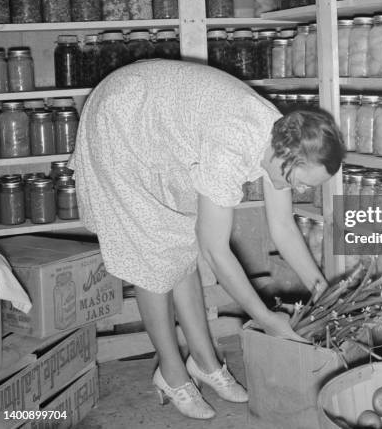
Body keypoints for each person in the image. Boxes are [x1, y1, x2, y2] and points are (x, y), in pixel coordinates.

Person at [69, 59, 344, 420]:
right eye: (303, 181)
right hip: (122, 119)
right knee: (152, 258)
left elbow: (283, 226)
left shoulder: (281, 139)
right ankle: (171, 373)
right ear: (285, 156)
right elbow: (215, 252)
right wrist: (265, 317)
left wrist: (322, 289)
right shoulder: (232, 146)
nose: (303, 189)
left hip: (162, 127)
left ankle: (205, 363)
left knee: (179, 244)